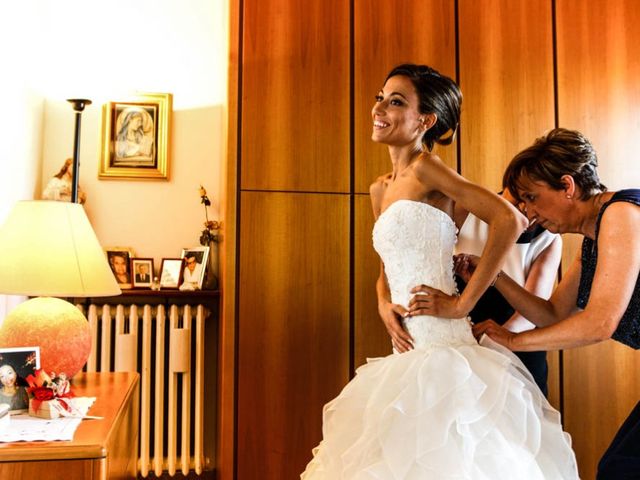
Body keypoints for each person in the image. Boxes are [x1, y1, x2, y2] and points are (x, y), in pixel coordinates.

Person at [301, 64, 578, 479]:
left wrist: (461, 304)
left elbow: (508, 219)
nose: (379, 107)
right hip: (405, 350)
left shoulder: (427, 168)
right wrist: (382, 304)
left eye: (396, 101)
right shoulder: (380, 188)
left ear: (425, 120)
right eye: (380, 96)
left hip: (447, 352)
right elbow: (387, 265)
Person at [458, 128, 640, 480]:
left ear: (567, 186)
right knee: (619, 469)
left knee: (621, 470)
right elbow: (552, 313)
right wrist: (493, 274)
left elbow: (601, 322)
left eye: (532, 197)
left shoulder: (621, 213)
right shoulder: (592, 239)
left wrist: (512, 341)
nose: (527, 211)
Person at [454, 187, 562, 395]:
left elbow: (533, 311)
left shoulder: (549, 238)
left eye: (532, 199)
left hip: (516, 340)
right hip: (460, 334)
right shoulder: (466, 211)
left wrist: (494, 342)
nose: (524, 209)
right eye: (518, 199)